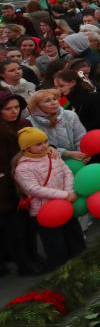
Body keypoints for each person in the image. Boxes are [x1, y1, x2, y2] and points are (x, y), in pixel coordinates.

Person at [13, 127, 85, 268]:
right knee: (55, 242)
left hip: (65, 205)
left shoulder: (53, 156)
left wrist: (69, 190)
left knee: (74, 235)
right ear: (27, 147)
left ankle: (82, 260)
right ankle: (62, 269)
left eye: (46, 141)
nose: (44, 146)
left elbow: (67, 172)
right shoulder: (22, 168)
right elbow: (34, 189)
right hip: (45, 211)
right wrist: (65, 195)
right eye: (38, 144)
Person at [0, 91, 41, 276]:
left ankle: (32, 255)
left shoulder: (24, 124)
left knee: (30, 223)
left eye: (16, 107)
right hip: (6, 185)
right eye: (8, 109)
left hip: (26, 178)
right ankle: (23, 263)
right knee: (14, 227)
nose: (14, 111)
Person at [27, 89, 88, 162]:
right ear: (37, 106)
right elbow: (36, 147)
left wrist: (83, 154)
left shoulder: (70, 115)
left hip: (76, 159)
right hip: (48, 162)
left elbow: (81, 137)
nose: (54, 102)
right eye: (47, 101)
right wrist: (65, 153)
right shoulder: (29, 122)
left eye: (55, 99)